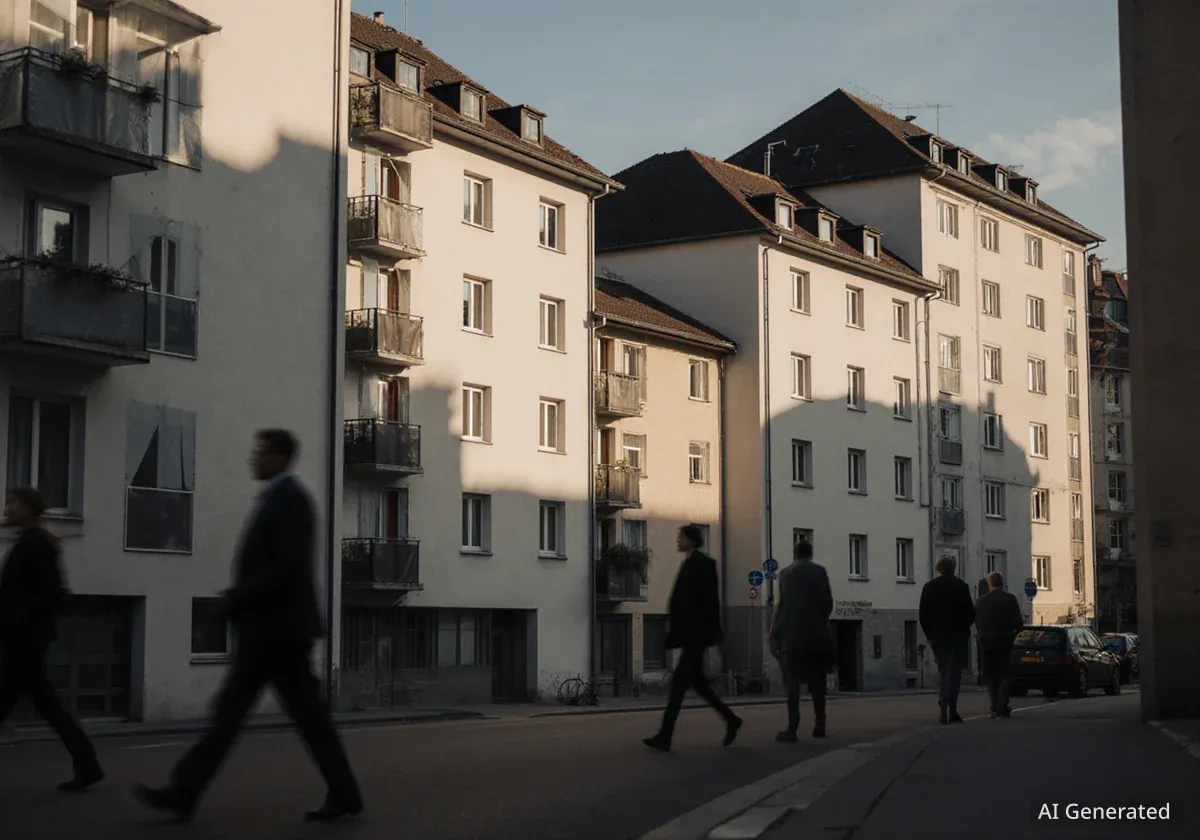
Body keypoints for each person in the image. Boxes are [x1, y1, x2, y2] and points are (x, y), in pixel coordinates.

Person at [134, 430, 362, 822]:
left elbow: (286, 567)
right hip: (268, 632)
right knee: (242, 716)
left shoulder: (292, 500)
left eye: (261, 452)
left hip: (280, 634)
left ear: (281, 457)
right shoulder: (277, 498)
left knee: (281, 719)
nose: (253, 458)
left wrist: (236, 597)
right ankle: (184, 792)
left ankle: (185, 792)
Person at [0, 487, 103, 791]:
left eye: (12, 502)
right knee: (50, 708)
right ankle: (88, 765)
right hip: (23, 640)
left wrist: (20, 624)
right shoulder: (28, 542)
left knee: (33, 703)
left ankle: (88, 766)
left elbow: (53, 594)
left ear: (29, 508)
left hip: (25, 642)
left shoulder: (37, 544)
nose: (7, 508)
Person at [642, 524, 742, 751]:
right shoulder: (689, 562)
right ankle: (731, 719)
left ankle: (665, 735)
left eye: (681, 537)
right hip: (689, 634)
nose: (678, 540)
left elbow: (711, 601)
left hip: (697, 634)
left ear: (691, 540)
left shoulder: (704, 564)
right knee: (698, 684)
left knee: (679, 684)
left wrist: (716, 635)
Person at [768, 537, 833, 740]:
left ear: (795, 553)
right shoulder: (820, 572)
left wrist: (773, 634)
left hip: (793, 638)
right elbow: (828, 602)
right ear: (810, 554)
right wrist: (820, 622)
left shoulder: (786, 574)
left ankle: (792, 728)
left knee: (793, 686)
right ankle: (820, 725)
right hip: (817, 637)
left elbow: (781, 607)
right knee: (818, 685)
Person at [918, 555, 975, 724]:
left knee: (943, 670)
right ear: (954, 568)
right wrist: (964, 629)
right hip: (957, 636)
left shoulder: (929, 587)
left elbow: (923, 614)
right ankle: (952, 708)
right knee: (954, 672)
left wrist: (930, 634)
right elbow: (970, 613)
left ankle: (943, 705)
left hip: (938, 636)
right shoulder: (961, 586)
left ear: (938, 569)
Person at [974, 572, 1023, 718]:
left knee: (990, 675)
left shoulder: (981, 601)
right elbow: (1018, 623)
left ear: (989, 584)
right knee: (1004, 674)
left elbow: (977, 621)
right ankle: (1002, 704)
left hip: (986, 642)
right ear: (1002, 583)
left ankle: (994, 705)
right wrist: (1015, 633)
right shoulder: (1009, 599)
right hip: (1004, 641)